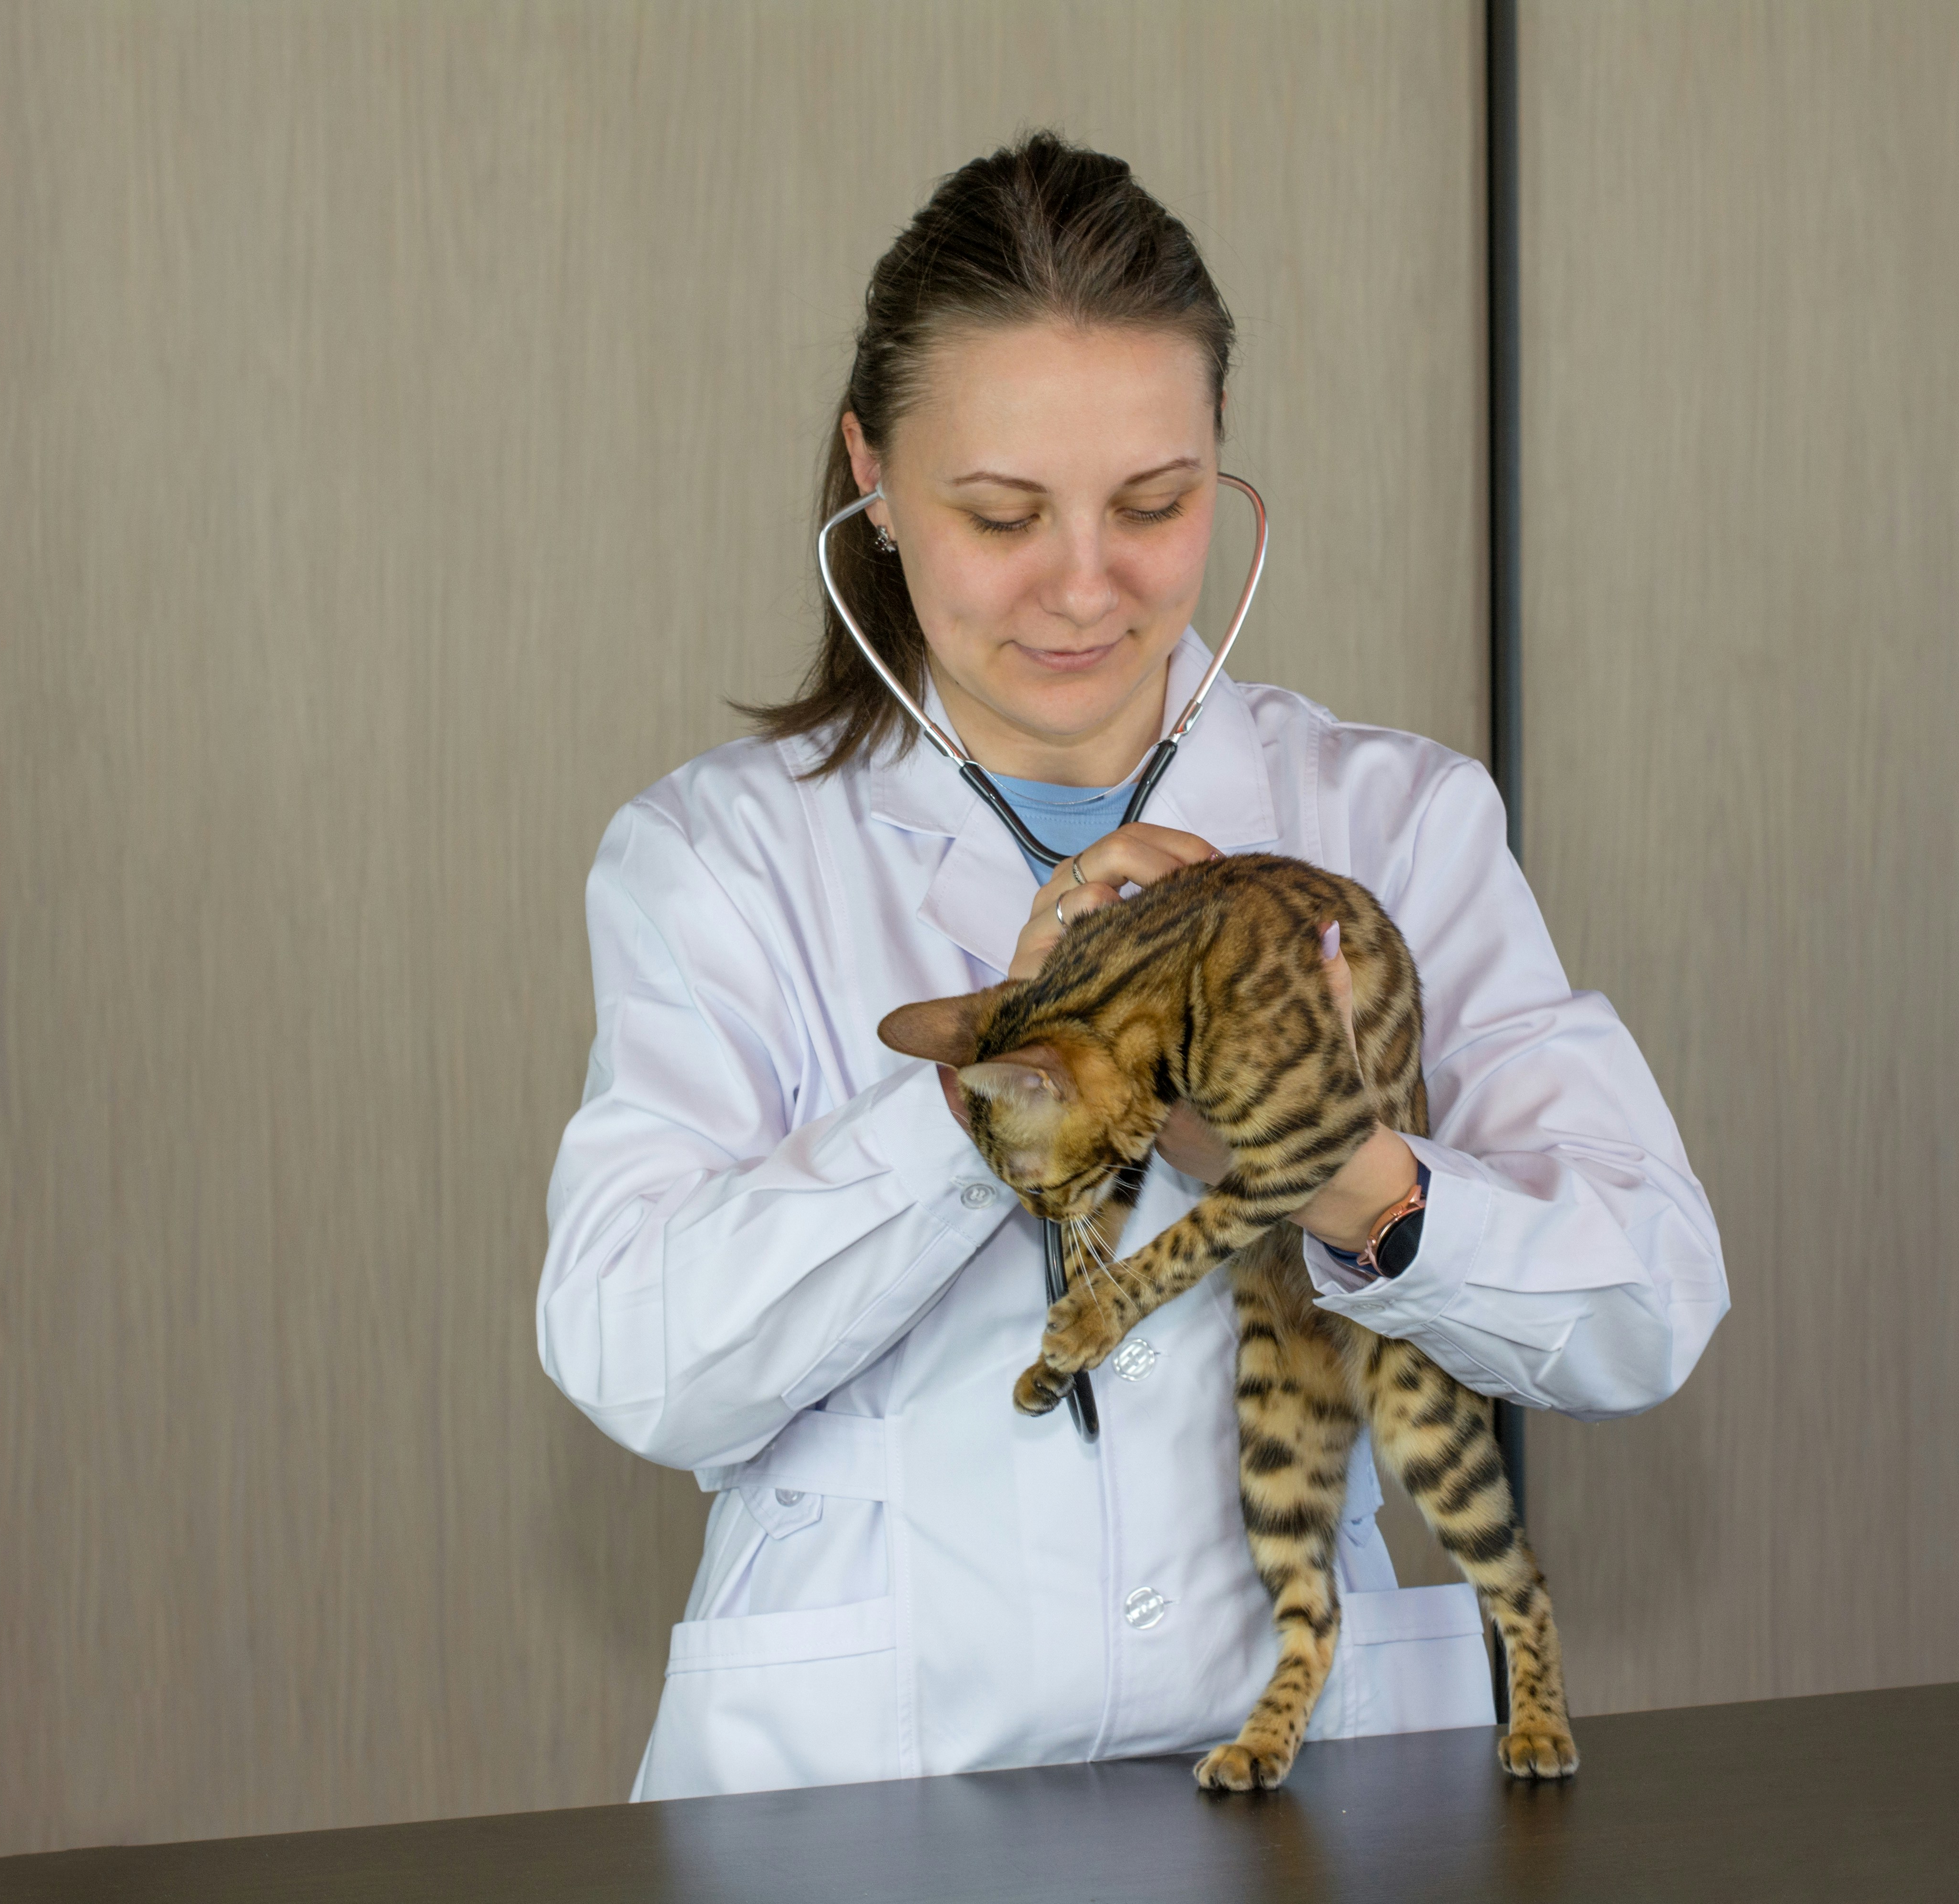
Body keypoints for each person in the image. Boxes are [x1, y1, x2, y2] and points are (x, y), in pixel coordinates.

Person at [535, 131, 1730, 1803]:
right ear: (871, 481)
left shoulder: (1396, 821)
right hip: (862, 1795)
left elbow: (1647, 1310)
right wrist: (1011, 1069)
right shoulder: (721, 860)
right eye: (1003, 513)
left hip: (1321, 1791)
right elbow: (639, 1361)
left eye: (1156, 505)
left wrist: (1339, 1165)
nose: (1086, 587)